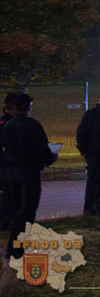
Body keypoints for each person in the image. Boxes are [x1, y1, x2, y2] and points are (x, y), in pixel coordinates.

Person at [1, 93, 56, 259]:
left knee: (16, 209)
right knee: (27, 211)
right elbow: (42, 151)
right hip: (29, 173)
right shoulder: (32, 125)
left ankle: (14, 246)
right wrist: (51, 158)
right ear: (28, 107)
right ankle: (17, 248)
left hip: (11, 173)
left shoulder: (8, 126)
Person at [0, 93, 17, 230]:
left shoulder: (4, 122)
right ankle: (6, 221)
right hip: (7, 165)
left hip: (6, 163)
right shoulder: (9, 124)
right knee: (9, 194)